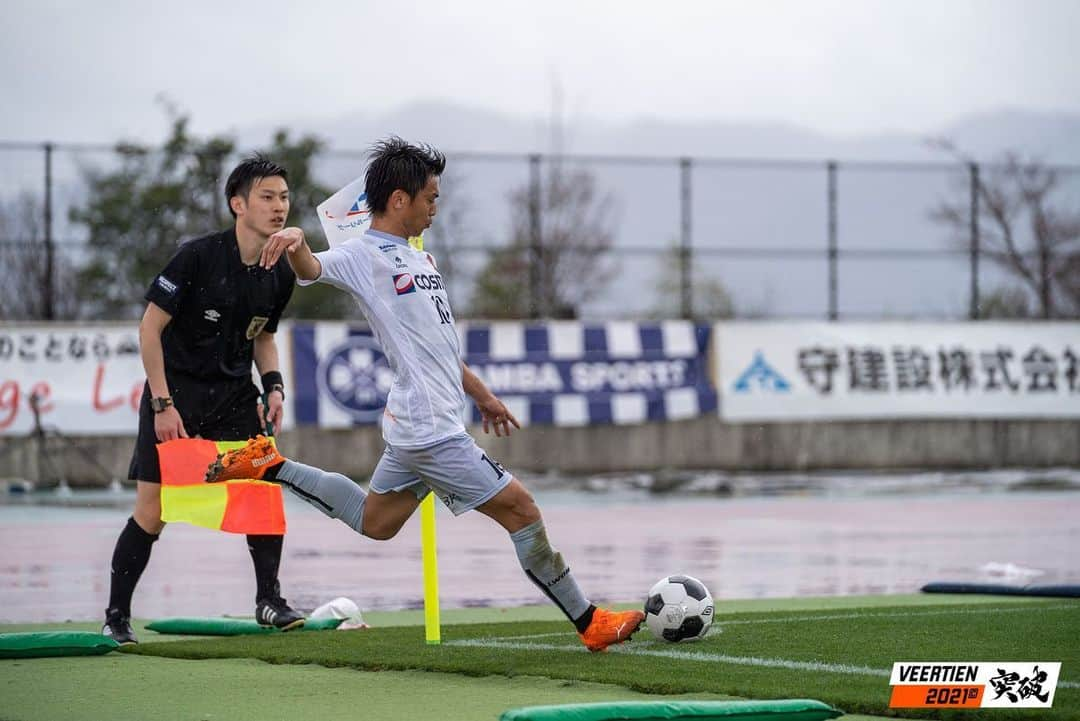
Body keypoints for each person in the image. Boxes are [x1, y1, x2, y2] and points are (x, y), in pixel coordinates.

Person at [205, 138, 645, 652]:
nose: (436, 207)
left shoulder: (419, 258)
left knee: (376, 521)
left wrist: (482, 395)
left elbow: (438, 347)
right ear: (399, 200)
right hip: (430, 430)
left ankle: (270, 465)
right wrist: (299, 238)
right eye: (430, 198)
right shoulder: (362, 255)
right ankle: (588, 620)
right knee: (522, 510)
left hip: (422, 421)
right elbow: (310, 269)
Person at [101, 156, 302, 645]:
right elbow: (150, 328)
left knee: (263, 488)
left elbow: (264, 338)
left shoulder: (280, 273)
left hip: (236, 397)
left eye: (284, 197)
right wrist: (162, 404)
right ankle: (116, 616)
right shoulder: (196, 257)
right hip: (175, 397)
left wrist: (273, 386)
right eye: (266, 197)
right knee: (153, 510)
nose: (279, 207)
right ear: (238, 204)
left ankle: (269, 601)